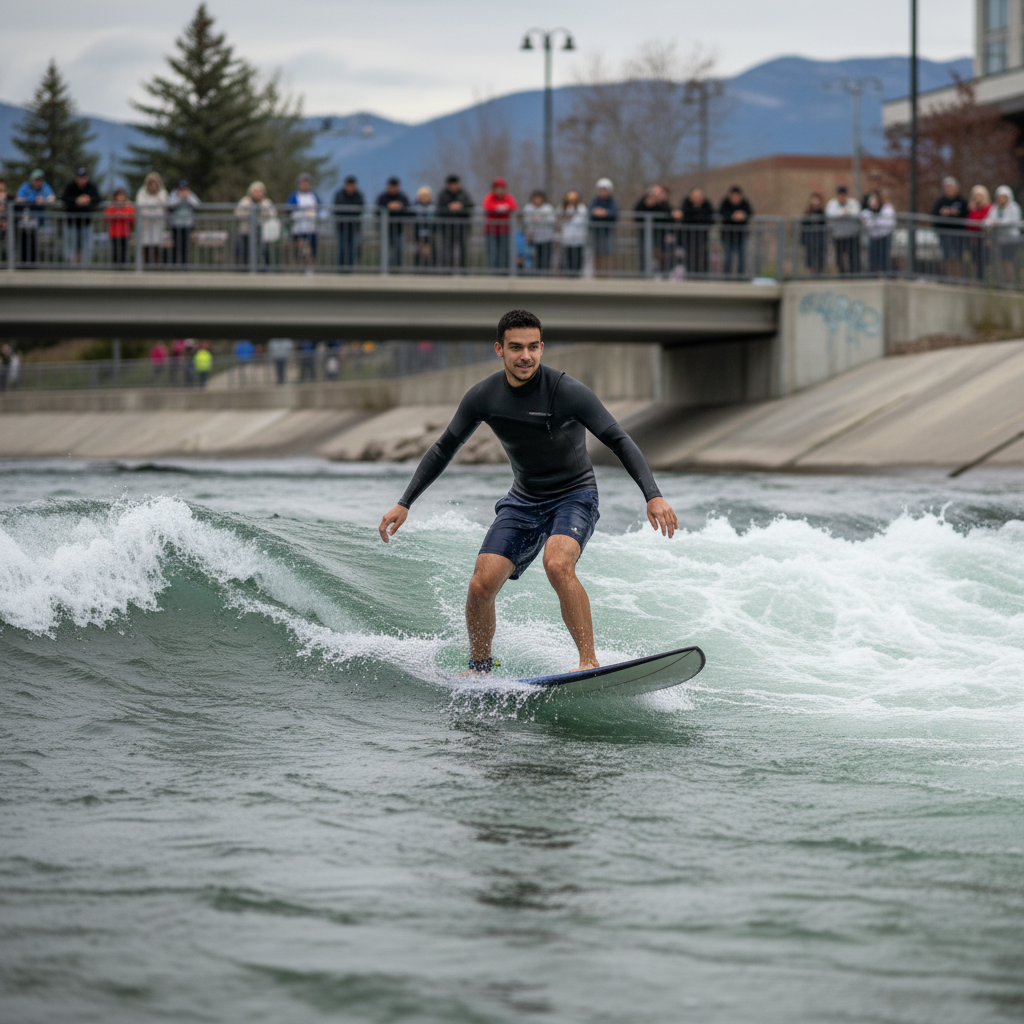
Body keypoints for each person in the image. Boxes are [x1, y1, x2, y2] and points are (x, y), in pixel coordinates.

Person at [377, 308, 678, 674]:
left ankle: (588, 662)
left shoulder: (566, 391)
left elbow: (619, 439)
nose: (526, 356)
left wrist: (652, 495)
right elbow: (444, 448)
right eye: (516, 347)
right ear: (499, 349)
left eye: (533, 347)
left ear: (542, 348)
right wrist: (404, 502)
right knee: (481, 583)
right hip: (523, 500)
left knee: (557, 563)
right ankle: (479, 667)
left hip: (574, 495)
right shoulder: (483, 396)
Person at [61, 166, 102, 265]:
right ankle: (71, 266)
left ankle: (85, 266)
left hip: (86, 223)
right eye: (79, 177)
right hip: (72, 223)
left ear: (87, 178)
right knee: (71, 246)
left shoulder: (91, 187)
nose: (81, 180)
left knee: (86, 246)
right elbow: (64, 199)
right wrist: (77, 200)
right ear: (76, 178)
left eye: (83, 177)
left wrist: (89, 199)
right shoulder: (71, 187)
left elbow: (98, 199)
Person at [15, 169, 56, 266]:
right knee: (24, 242)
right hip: (26, 219)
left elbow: (52, 198)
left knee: (34, 242)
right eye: (36, 180)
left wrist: (43, 200)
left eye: (40, 180)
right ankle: (23, 264)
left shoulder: (45, 186)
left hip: (38, 221)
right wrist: (31, 200)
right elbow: (18, 198)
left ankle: (33, 264)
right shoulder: (26, 186)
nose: (38, 182)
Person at [234, 181, 278, 269]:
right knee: (245, 251)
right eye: (255, 191)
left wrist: (262, 211)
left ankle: (265, 269)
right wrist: (250, 214)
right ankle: (245, 269)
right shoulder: (245, 202)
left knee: (264, 251)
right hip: (246, 232)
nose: (258, 194)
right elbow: (238, 213)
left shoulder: (266, 202)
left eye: (260, 191)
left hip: (262, 233)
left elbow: (273, 213)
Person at [633, 184, 675, 275]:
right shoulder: (643, 202)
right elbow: (637, 214)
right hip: (645, 234)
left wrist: (661, 201)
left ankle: (663, 274)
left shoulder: (663, 204)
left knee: (662, 255)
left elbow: (669, 215)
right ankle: (643, 274)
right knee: (644, 255)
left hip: (660, 234)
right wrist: (647, 204)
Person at [986, 185, 1022, 287]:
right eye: (1000, 197)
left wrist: (999, 223)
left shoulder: (1014, 207)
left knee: (1008, 262)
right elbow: (989, 219)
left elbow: (1013, 221)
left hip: (1011, 239)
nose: (1001, 199)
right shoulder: (995, 208)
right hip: (998, 240)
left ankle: (1009, 283)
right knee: (999, 263)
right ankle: (1001, 283)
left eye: (1004, 197)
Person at [932, 176, 968, 279]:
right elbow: (934, 216)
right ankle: (949, 277)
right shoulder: (940, 202)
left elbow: (966, 215)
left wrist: (954, 213)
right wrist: (942, 213)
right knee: (947, 257)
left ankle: (958, 277)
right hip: (945, 234)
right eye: (947, 187)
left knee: (958, 257)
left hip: (959, 234)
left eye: (951, 187)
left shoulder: (961, 201)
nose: (949, 189)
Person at [436, 174, 473, 270]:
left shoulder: (464, 194)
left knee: (463, 250)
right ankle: (447, 271)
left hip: (462, 228)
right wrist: (449, 207)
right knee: (447, 250)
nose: (453, 186)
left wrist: (461, 206)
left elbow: (471, 206)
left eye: (455, 184)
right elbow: (439, 209)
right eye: (451, 184)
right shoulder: (443, 195)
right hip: (447, 229)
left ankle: (463, 271)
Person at [482, 177, 518, 271]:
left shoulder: (508, 197)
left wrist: (504, 207)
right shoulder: (489, 197)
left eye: (501, 187)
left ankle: (503, 273)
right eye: (497, 187)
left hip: (505, 231)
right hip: (491, 231)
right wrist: (498, 207)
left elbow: (513, 207)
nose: (499, 190)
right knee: (492, 253)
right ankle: (493, 273)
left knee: (504, 253)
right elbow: (487, 206)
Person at [287, 173, 321, 271]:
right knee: (300, 251)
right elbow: (289, 211)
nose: (305, 185)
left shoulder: (314, 196)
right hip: (298, 229)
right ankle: (298, 268)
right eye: (303, 183)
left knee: (312, 251)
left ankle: (310, 269)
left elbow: (321, 209)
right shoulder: (294, 196)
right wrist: (303, 213)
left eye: (307, 183)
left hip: (311, 229)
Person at [825, 185, 861, 274]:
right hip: (838, 235)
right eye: (840, 194)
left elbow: (857, 212)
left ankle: (854, 274)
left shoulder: (852, 203)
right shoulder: (832, 203)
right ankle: (842, 274)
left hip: (852, 234)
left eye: (843, 194)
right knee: (839, 257)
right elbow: (829, 214)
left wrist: (847, 212)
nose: (842, 197)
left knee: (853, 256)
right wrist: (841, 212)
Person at [718, 185, 753, 277]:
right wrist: (732, 216)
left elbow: (750, 213)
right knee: (728, 256)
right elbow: (721, 212)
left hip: (741, 235)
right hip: (727, 235)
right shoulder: (725, 203)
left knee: (742, 257)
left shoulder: (744, 203)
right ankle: (727, 276)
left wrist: (743, 215)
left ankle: (740, 276)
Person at [679, 187, 715, 276]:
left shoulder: (707, 205)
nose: (697, 198)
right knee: (689, 256)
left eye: (699, 196)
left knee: (702, 256)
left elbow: (711, 219)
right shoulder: (686, 205)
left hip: (702, 236)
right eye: (695, 196)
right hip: (689, 236)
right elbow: (684, 218)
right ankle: (689, 274)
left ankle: (703, 275)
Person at [376, 176, 410, 268]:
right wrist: (388, 206)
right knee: (385, 251)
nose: (393, 189)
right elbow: (377, 210)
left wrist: (400, 206)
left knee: (398, 250)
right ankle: (385, 269)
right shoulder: (383, 197)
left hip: (399, 230)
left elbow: (409, 209)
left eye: (395, 187)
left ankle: (397, 269)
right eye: (391, 187)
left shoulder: (402, 197)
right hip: (385, 230)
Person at [135, 172, 167, 266]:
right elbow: (140, 204)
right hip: (146, 223)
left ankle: (156, 265)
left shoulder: (162, 193)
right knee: (146, 244)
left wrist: (157, 195)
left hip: (157, 223)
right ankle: (146, 265)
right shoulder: (142, 192)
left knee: (156, 244)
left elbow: (164, 204)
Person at [333, 175, 364, 269]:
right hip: (342, 227)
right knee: (342, 249)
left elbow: (360, 209)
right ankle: (340, 270)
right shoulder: (339, 195)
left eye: (352, 185)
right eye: (349, 185)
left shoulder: (358, 195)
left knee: (353, 250)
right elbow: (337, 209)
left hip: (354, 228)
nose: (350, 188)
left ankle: (350, 269)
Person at [860, 190, 895, 275]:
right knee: (873, 258)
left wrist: (876, 222)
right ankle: (873, 275)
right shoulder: (866, 212)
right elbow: (868, 225)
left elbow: (889, 223)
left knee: (884, 257)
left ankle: (886, 274)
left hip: (884, 236)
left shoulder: (886, 208)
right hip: (873, 237)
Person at [589, 177, 619, 273]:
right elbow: (590, 211)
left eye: (604, 190)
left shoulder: (612, 201)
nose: (602, 192)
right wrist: (595, 212)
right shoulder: (595, 201)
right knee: (596, 253)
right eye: (601, 189)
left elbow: (614, 212)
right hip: (596, 231)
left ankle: (606, 274)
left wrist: (605, 213)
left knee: (607, 253)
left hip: (607, 231)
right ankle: (597, 273)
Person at [168, 180, 200, 267]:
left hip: (187, 225)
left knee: (185, 246)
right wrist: (179, 197)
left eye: (184, 189)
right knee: (175, 245)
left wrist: (187, 197)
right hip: (176, 225)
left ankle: (184, 266)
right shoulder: (173, 195)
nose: (183, 191)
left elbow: (197, 204)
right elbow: (170, 204)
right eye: (181, 189)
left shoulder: (190, 195)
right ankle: (173, 265)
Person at [523, 189, 556, 273]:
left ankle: (545, 274)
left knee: (545, 258)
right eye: (535, 198)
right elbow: (526, 221)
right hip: (533, 238)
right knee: (534, 258)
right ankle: (535, 274)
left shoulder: (548, 208)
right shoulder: (528, 208)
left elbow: (552, 220)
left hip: (546, 238)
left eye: (539, 198)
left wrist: (541, 219)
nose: (537, 200)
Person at [558, 189, 589, 276]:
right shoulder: (562, 208)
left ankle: (577, 276)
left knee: (577, 260)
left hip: (578, 239)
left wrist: (570, 217)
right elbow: (560, 219)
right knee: (567, 260)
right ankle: (567, 276)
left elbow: (580, 220)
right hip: (566, 239)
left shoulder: (582, 208)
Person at [966, 185, 993, 282]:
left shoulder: (989, 207)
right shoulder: (971, 208)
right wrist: (973, 210)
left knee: (986, 262)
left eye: (979, 195)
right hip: (974, 239)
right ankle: (975, 281)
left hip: (985, 239)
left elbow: (983, 222)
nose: (977, 198)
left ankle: (988, 282)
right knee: (974, 261)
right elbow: (970, 224)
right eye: (975, 196)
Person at [104, 187, 135, 268]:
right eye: (119, 196)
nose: (120, 198)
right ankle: (115, 269)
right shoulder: (111, 206)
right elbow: (107, 217)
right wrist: (115, 215)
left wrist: (123, 215)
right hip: (114, 233)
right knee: (115, 252)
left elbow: (132, 218)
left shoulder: (128, 206)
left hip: (124, 233)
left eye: (122, 196)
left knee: (123, 252)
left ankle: (123, 269)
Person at [799, 192, 827, 275]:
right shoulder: (808, 211)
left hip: (819, 237)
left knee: (819, 254)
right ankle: (811, 270)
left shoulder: (821, 211)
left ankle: (819, 271)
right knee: (810, 255)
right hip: (810, 237)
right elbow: (804, 224)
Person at [411, 186, 436, 268]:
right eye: (423, 196)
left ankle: (431, 269)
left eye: (426, 195)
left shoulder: (434, 207)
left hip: (430, 233)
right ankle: (417, 268)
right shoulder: (414, 207)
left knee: (430, 252)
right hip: (418, 233)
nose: (424, 198)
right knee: (419, 250)